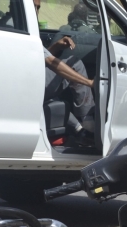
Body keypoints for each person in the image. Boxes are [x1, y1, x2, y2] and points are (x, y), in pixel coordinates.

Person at [34, 0, 96, 143]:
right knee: (75, 63)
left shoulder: (18, 23)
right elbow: (50, 62)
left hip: (30, 78)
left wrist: (56, 46)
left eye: (38, 8)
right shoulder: (23, 25)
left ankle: (79, 130)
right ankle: (88, 121)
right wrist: (89, 82)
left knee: (56, 97)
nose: (36, 12)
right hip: (31, 82)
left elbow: (39, 57)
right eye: (33, 7)